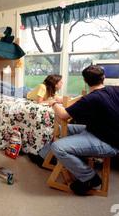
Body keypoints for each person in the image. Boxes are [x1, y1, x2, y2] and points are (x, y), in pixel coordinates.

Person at [44, 65, 119, 194]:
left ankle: (89, 178)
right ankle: (45, 156)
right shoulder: (114, 90)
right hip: (101, 131)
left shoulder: (91, 98)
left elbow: (63, 115)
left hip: (109, 142)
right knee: (61, 128)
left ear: (84, 81)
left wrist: (54, 103)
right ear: (104, 78)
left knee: (58, 147)